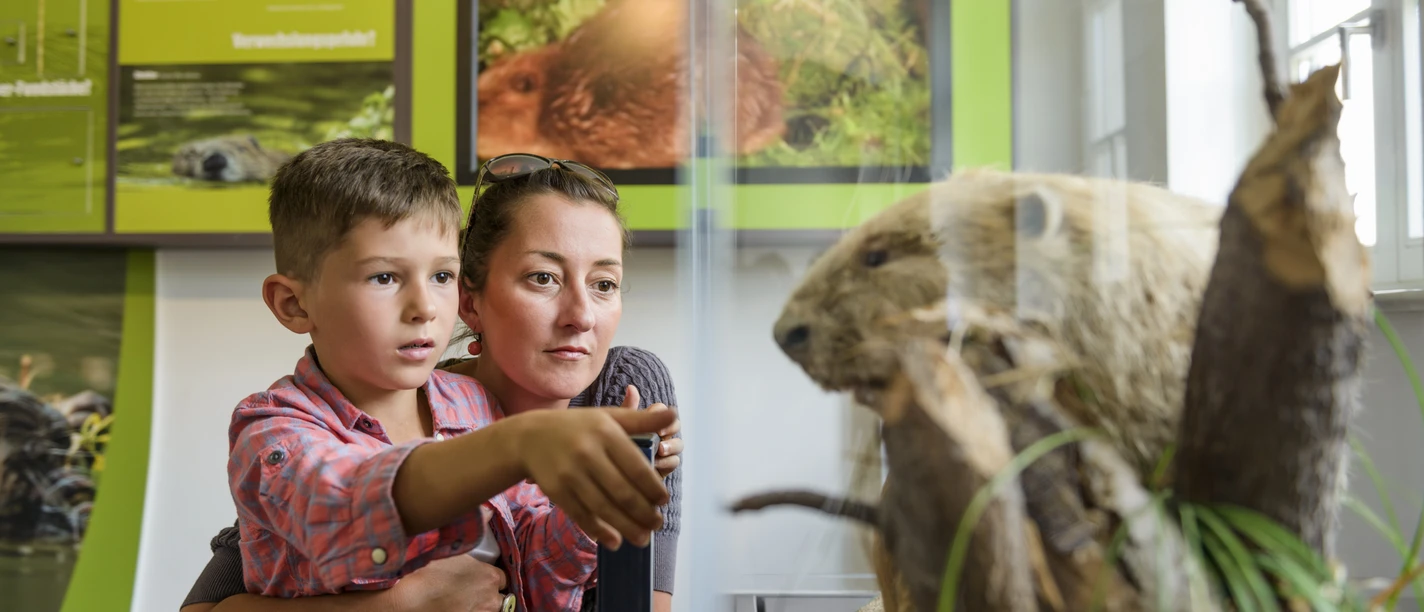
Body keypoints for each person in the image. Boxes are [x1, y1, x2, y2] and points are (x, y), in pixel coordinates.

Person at [180, 152, 685, 612]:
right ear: (294, 303)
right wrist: (515, 445)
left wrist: (594, 505)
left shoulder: (470, 404)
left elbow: (533, 563)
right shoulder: (272, 429)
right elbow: (340, 505)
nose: (424, 308)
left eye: (441, 276)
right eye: (384, 278)